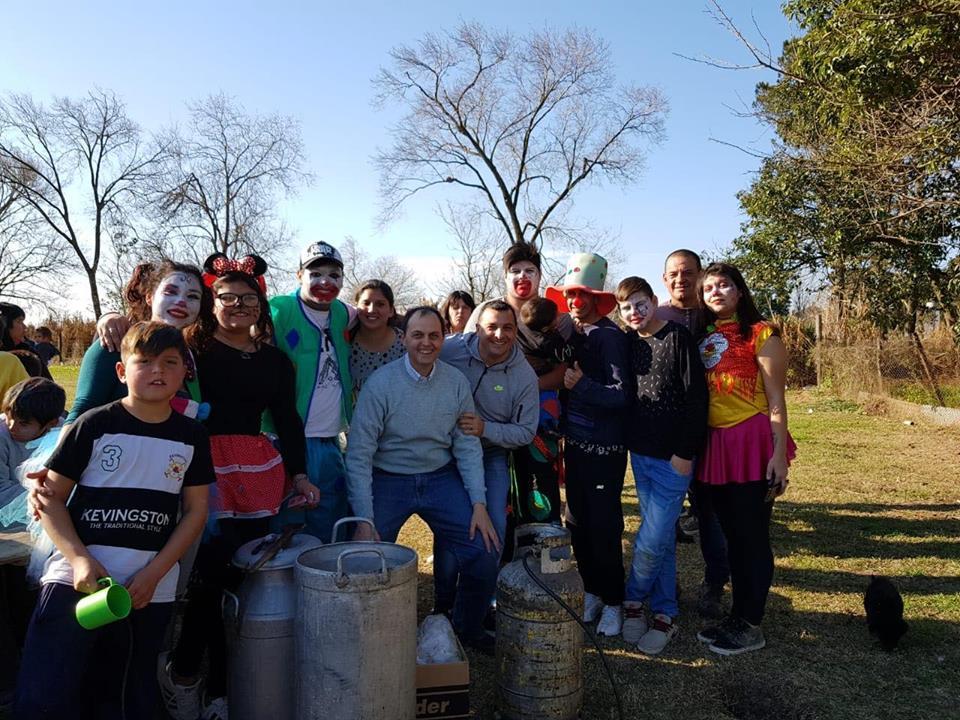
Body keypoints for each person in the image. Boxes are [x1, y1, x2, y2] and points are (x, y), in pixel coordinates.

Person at [14, 322, 213, 719]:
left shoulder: (192, 436)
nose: (157, 371)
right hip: (76, 582)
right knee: (48, 689)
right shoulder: (94, 424)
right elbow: (49, 500)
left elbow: (195, 512)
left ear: (183, 373)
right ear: (122, 372)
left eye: (170, 362)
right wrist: (79, 560)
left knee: (124, 694)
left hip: (147, 591)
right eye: (145, 362)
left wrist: (156, 572)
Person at [159, 258, 318, 720]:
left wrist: (301, 474)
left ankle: (225, 688)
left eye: (249, 298)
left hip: (254, 473)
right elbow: (144, 340)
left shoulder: (274, 360)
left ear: (261, 305)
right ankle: (186, 673)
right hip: (200, 468)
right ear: (213, 303)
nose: (238, 306)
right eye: (227, 297)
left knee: (242, 577)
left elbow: (288, 420)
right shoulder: (192, 348)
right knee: (208, 578)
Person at [346, 306, 500, 651]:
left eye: (434, 335)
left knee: (484, 550)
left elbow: (467, 445)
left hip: (439, 477)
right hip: (388, 477)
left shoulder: (455, 382)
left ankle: (466, 626)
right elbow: (359, 455)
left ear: (443, 338)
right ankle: (370, 637)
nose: (426, 343)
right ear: (403, 339)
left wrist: (478, 503)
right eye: (417, 335)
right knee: (363, 557)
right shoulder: (381, 384)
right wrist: (364, 518)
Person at [694, 262, 796, 656]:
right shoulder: (703, 336)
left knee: (752, 537)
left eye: (724, 285)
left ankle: (751, 625)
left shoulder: (762, 334)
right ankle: (738, 616)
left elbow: (776, 401)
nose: (716, 292)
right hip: (717, 447)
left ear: (739, 292)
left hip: (752, 444)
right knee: (732, 536)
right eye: (709, 288)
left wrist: (778, 457)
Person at [616, 277, 708, 654]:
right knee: (664, 535)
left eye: (640, 304)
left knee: (651, 539)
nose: (634, 313)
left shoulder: (677, 338)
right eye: (626, 308)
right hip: (640, 453)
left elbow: (696, 398)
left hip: (675, 458)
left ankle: (633, 600)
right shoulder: (628, 342)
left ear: (654, 301)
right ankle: (665, 613)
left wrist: (686, 452)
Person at [434, 300, 539, 621]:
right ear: (477, 328)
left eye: (508, 328)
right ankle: (444, 601)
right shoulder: (451, 349)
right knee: (451, 525)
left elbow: (525, 432)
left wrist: (485, 428)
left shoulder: (523, 375)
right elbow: (418, 352)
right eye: (491, 327)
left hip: (491, 451)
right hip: (447, 450)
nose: (499, 334)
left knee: (494, 523)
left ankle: (480, 603)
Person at [545, 253, 632, 637]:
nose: (576, 301)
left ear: (597, 299)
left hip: (605, 449)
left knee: (604, 525)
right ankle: (593, 590)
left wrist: (583, 386)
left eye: (583, 295)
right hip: (576, 446)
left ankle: (614, 599)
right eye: (571, 294)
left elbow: (622, 395)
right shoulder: (574, 334)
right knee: (577, 522)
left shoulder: (611, 338)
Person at [466, 243, 571, 548]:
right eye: (515, 271)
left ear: (540, 275)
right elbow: (468, 355)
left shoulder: (556, 316)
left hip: (541, 415)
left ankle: (541, 565)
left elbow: (564, 370)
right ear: (505, 275)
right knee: (496, 492)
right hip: (490, 416)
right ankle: (496, 563)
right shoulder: (487, 313)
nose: (522, 276)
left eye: (530, 270)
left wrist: (526, 387)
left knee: (540, 487)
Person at [657, 249, 730, 619]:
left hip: (713, 431)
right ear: (663, 278)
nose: (680, 279)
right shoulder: (655, 317)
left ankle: (714, 585)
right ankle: (667, 584)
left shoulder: (714, 315)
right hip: (666, 435)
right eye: (673, 273)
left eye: (688, 272)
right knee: (664, 516)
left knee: (709, 514)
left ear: (700, 275)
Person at [269, 241, 355, 542]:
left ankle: (327, 585)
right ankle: (283, 588)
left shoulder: (344, 313)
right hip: (285, 440)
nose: (325, 282)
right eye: (316, 273)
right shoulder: (278, 309)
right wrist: (113, 318)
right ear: (299, 275)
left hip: (330, 438)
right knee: (285, 524)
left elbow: (383, 319)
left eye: (334, 275)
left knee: (329, 520)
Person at [69, 260, 211, 423]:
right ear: (150, 297)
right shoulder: (116, 343)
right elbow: (81, 412)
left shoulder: (192, 355)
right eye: (170, 292)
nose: (181, 301)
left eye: (192, 296)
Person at [1, 378, 65, 511]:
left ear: (50, 424)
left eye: (23, 424)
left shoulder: (61, 434)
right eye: (9, 417)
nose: (12, 427)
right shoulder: (2, 436)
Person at [349, 279, 405, 396]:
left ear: (390, 311)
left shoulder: (407, 344)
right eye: (366, 303)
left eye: (380, 304)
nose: (372, 310)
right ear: (356, 307)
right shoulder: (344, 343)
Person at [0, 303, 50, 380]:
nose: (25, 327)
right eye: (19, 321)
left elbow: (48, 385)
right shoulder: (4, 356)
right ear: (5, 324)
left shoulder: (28, 353)